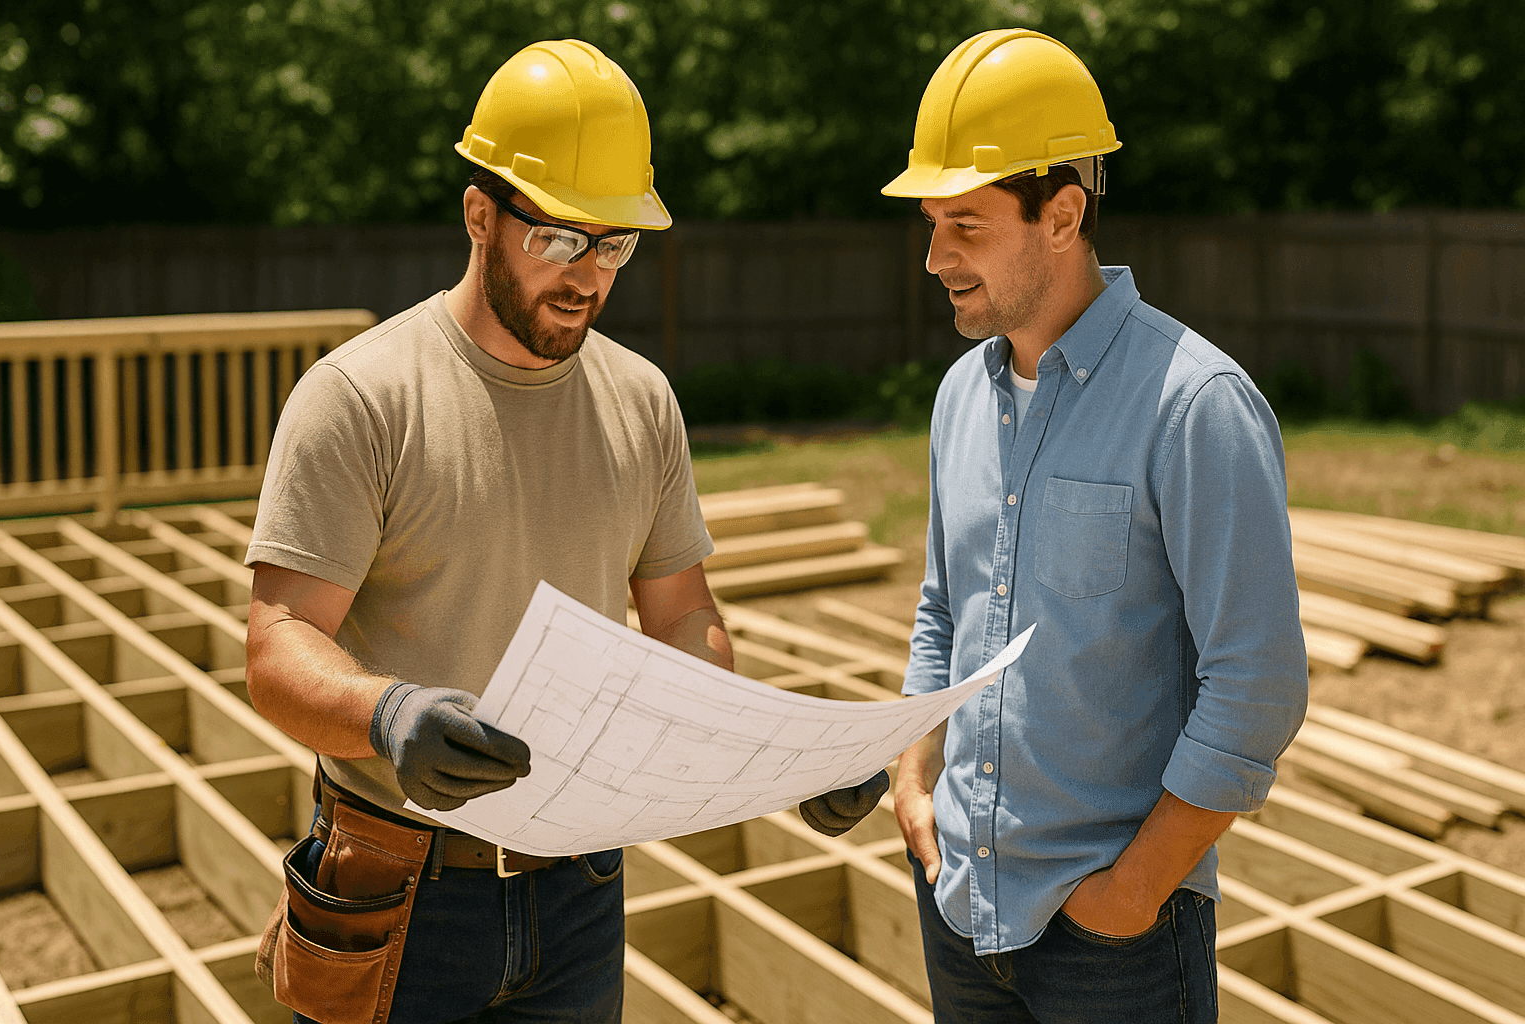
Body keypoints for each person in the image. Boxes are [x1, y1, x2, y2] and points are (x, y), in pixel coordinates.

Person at [245, 38, 885, 1024]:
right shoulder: (362, 398)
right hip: (396, 888)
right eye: (560, 239)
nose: (589, 274)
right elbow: (277, 646)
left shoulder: (640, 400)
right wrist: (391, 714)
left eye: (615, 244)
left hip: (580, 890)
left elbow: (684, 620)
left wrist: (778, 756)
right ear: (479, 217)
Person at [882, 29, 1308, 1024]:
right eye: (930, 224)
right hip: (958, 907)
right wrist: (913, 778)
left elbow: (1257, 683)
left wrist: (1128, 895)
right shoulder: (959, 396)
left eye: (965, 226)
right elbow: (944, 602)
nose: (934, 256)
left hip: (1114, 944)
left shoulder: (1197, 405)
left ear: (1063, 215)